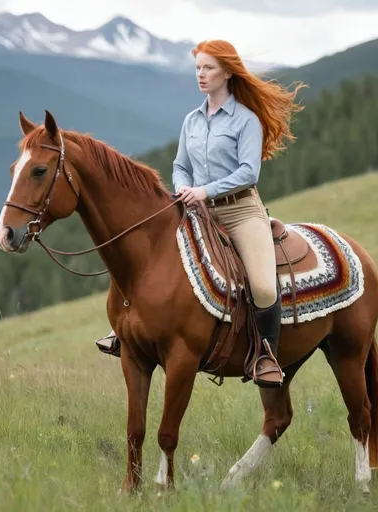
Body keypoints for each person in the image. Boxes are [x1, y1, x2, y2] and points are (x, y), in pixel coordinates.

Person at [96, 39, 304, 388]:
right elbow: (180, 165)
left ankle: (266, 355)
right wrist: (182, 189)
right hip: (195, 210)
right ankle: (127, 331)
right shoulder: (191, 121)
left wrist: (204, 190)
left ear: (226, 71)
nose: (201, 75)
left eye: (208, 68)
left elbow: (249, 172)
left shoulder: (246, 120)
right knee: (150, 262)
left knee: (264, 287)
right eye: (197, 68)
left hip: (239, 211)